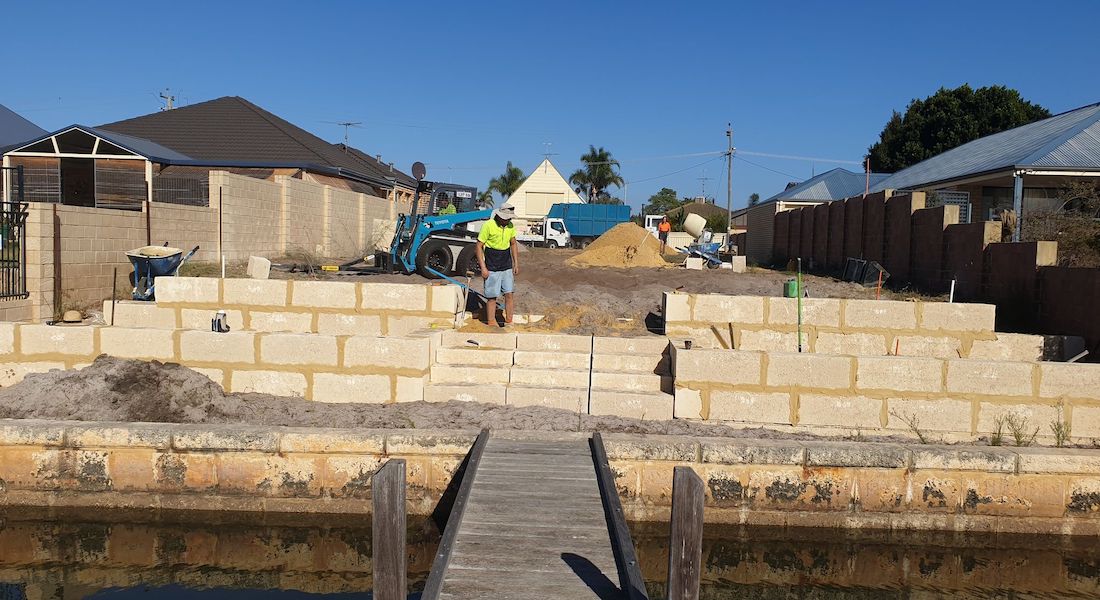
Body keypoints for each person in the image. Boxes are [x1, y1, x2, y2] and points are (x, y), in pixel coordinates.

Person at [476, 203, 519, 326]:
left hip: (506, 264)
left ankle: (509, 321)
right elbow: (478, 246)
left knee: (509, 293)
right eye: (507, 218)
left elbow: (513, 244)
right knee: (492, 296)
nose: (508, 220)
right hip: (491, 265)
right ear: (500, 216)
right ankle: (491, 322)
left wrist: (516, 263)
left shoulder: (510, 226)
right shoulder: (488, 225)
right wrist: (483, 267)